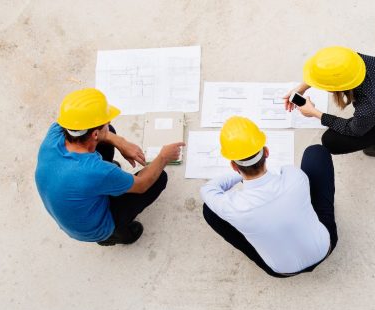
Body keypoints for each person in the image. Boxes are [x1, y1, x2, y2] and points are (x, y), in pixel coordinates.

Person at [35, 88, 182, 246]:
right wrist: (163, 156)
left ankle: (103, 190)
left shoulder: (56, 131)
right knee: (159, 178)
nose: (109, 122)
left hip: (70, 203)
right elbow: (142, 185)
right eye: (106, 122)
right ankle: (114, 236)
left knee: (109, 134)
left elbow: (101, 134)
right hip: (93, 228)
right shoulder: (97, 171)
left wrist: (121, 142)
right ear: (95, 134)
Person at [200, 116, 338, 277]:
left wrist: (242, 174)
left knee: (209, 210)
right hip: (324, 248)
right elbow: (280, 171)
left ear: (233, 165)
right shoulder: (294, 177)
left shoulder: (233, 207)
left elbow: (208, 189)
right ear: (266, 152)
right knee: (315, 152)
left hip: (282, 270)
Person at [284, 46, 375, 157]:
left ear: (336, 89)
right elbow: (330, 72)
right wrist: (300, 89)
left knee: (331, 141)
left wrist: (314, 113)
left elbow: (353, 130)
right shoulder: (351, 60)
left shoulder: (371, 105)